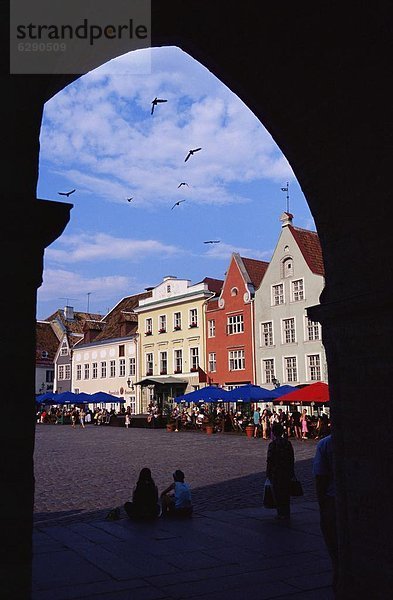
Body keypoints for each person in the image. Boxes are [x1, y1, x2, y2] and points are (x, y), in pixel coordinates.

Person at [313, 434, 338, 594]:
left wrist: (321, 502)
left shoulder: (326, 444)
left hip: (332, 498)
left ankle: (338, 572)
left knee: (333, 540)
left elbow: (320, 477)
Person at [266, 422, 295, 520]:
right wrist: (292, 470)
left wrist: (268, 472)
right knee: (286, 492)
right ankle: (287, 512)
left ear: (273, 433)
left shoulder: (273, 444)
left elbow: (270, 459)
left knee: (278, 492)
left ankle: (280, 513)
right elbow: (291, 457)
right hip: (286, 470)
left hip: (276, 471)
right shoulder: (287, 443)